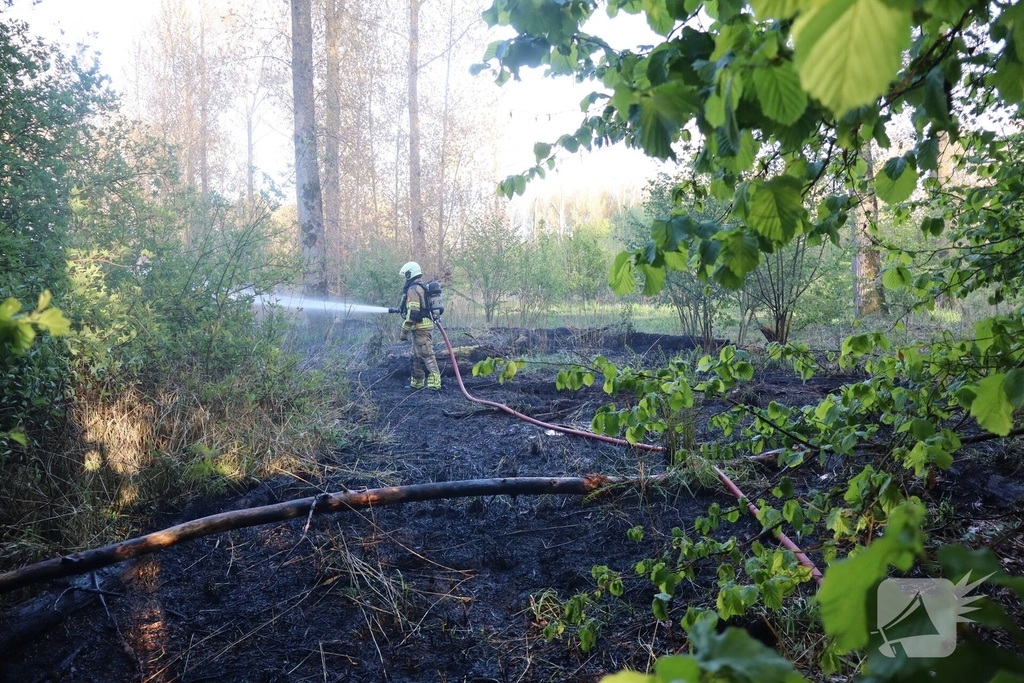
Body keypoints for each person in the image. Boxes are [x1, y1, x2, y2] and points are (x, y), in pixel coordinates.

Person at [397, 261, 441, 390]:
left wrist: (404, 330)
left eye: (406, 275)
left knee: (426, 354)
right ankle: (417, 382)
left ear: (410, 274)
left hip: (421, 327)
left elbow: (414, 312)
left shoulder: (413, 289)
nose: (405, 278)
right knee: (415, 356)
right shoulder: (421, 286)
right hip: (420, 327)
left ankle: (435, 383)